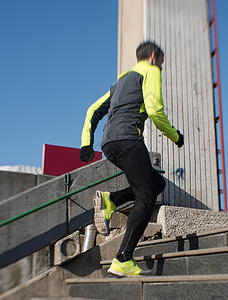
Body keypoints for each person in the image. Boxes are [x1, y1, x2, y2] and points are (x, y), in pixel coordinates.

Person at [80, 41, 184, 277]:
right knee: (146, 197)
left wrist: (86, 143)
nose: (161, 67)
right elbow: (155, 111)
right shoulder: (151, 71)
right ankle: (123, 258)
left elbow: (91, 111)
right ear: (154, 56)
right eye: (161, 63)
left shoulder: (119, 82)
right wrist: (175, 136)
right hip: (128, 140)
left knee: (156, 184)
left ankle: (112, 200)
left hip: (109, 144)